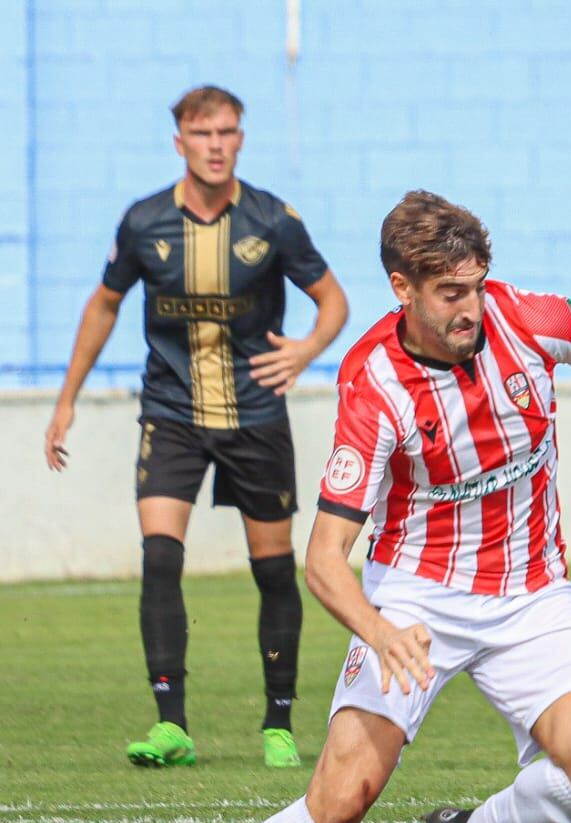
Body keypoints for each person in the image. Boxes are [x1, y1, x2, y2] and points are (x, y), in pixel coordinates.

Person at [138, 190, 571, 823]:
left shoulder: (532, 319)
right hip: (416, 601)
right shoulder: (374, 384)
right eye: (450, 293)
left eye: (477, 286)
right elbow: (324, 559)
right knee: (341, 800)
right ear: (401, 288)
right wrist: (379, 631)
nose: (471, 309)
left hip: (531, 595)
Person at [43, 85, 349, 770]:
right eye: (202, 133)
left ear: (241, 139)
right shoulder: (145, 221)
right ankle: (170, 725)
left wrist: (304, 351)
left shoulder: (272, 220)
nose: (216, 145)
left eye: (228, 132)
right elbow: (103, 305)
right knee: (160, 556)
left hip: (256, 415)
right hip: (172, 412)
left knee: (273, 569)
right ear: (179, 140)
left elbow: (332, 300)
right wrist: (67, 399)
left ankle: (278, 723)